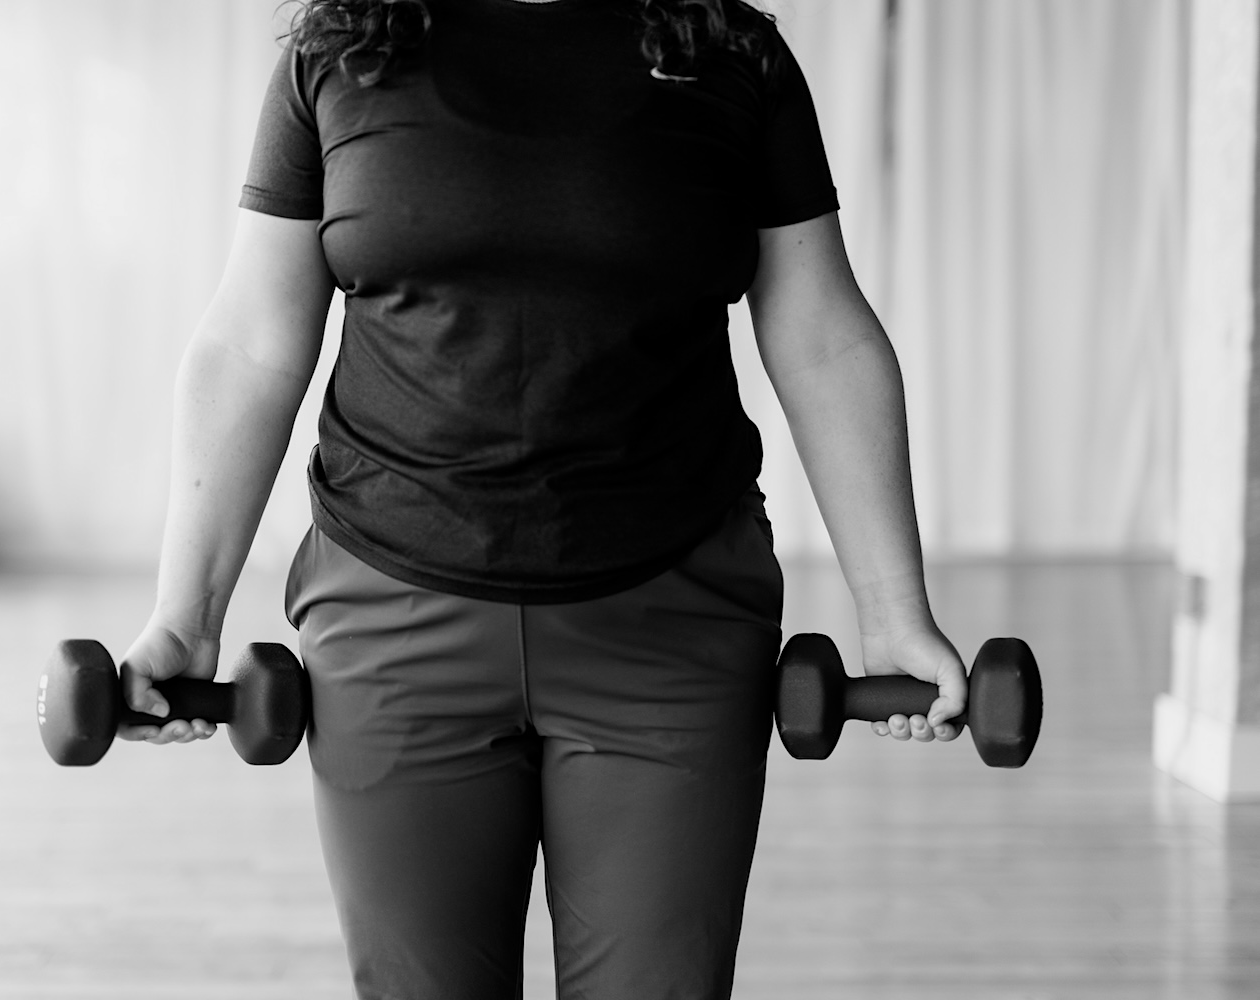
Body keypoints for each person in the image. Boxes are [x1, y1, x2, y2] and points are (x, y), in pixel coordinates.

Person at [115, 1, 969, 997]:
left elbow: (822, 334)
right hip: (394, 615)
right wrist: (185, 616)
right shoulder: (340, 53)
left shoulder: (732, 57)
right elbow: (251, 343)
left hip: (671, 617)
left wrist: (895, 611)